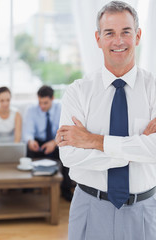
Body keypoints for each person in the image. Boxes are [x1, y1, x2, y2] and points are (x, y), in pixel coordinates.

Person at [56, 1, 156, 239]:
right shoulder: (77, 91)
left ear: (138, 36)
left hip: (143, 211)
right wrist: (138, 147)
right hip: (89, 207)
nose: (118, 41)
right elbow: (69, 155)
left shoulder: (154, 89)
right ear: (98, 38)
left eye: (126, 32)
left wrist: (92, 140)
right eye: (109, 33)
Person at [23, 85, 73, 201]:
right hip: (38, 143)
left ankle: (66, 190)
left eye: (45, 103)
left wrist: (54, 143)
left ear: (52, 99)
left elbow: (65, 130)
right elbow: (28, 132)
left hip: (56, 141)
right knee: (28, 150)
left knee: (66, 150)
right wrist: (31, 141)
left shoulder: (61, 109)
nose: (42, 106)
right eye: (40, 102)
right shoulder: (31, 110)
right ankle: (27, 190)